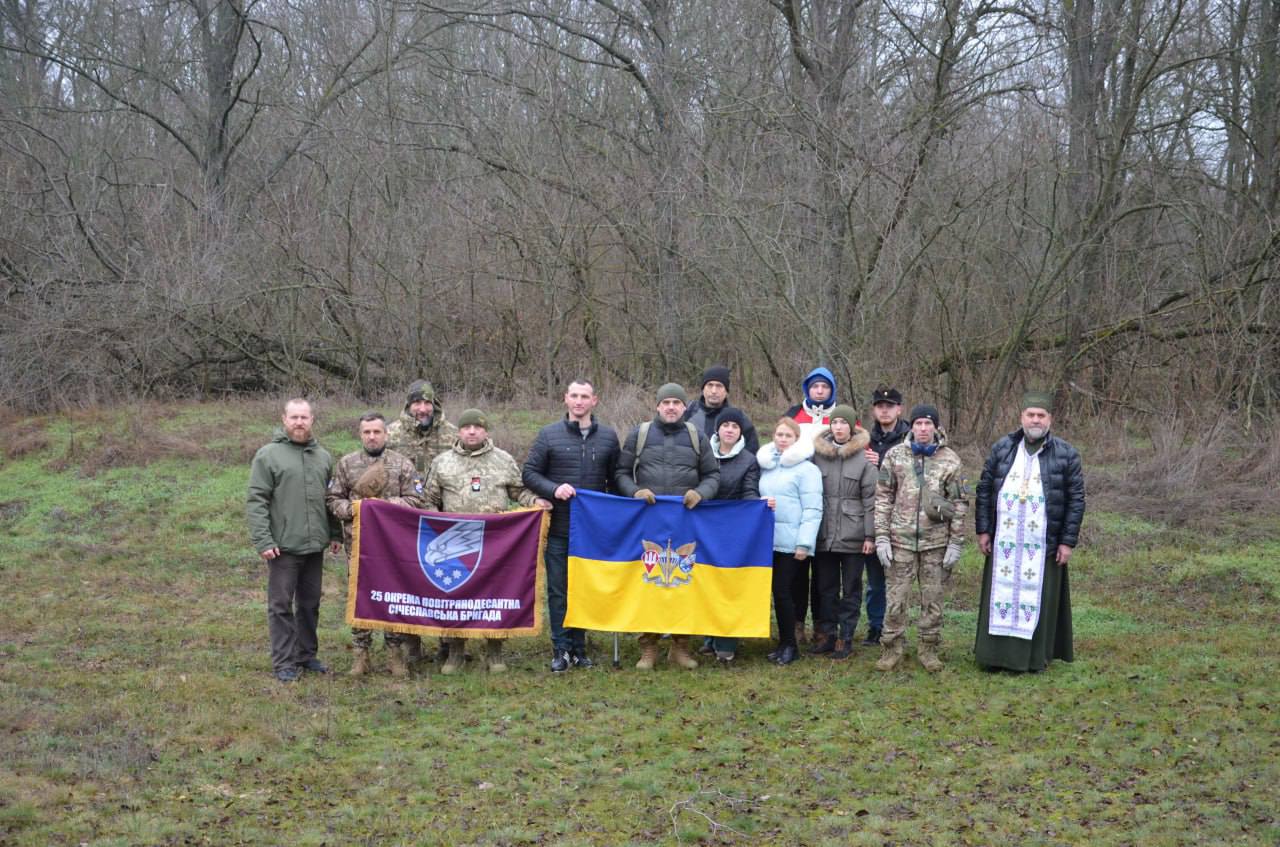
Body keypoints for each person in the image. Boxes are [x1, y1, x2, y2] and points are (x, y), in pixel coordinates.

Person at [423, 408, 551, 673]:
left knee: (495, 595)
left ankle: (495, 651)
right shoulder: (442, 462)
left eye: (478, 427)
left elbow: (518, 490)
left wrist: (534, 501)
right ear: (458, 431)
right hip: (456, 544)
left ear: (486, 431)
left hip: (497, 544)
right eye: (467, 427)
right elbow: (429, 501)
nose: (472, 432)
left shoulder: (503, 460)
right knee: (457, 596)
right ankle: (456, 652)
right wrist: (438, 526)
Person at [974, 391, 1085, 672]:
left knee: (1035, 598)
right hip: (1004, 545)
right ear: (1021, 417)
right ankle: (994, 657)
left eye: (1041, 415)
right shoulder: (1003, 449)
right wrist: (984, 530)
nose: (1035, 420)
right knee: (1000, 595)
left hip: (1043, 545)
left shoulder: (1066, 454)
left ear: (1050, 419)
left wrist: (1067, 542)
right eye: (1030, 414)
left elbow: (1076, 500)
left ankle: (1033, 658)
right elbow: (985, 490)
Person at [615, 383, 721, 670]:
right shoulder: (640, 434)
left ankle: (680, 646)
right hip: (648, 522)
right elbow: (621, 472)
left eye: (677, 402)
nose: (671, 407)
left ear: (685, 407)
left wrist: (702, 493)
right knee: (649, 581)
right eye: (666, 403)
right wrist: (634, 492)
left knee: (683, 582)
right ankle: (648, 646)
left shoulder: (696, 436)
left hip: (686, 523)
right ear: (657, 406)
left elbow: (713, 475)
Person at [522, 379, 620, 673]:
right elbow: (529, 473)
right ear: (566, 399)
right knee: (559, 590)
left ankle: (580, 648)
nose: (579, 401)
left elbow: (616, 481)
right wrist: (553, 489)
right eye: (574, 396)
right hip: (559, 528)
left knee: (585, 589)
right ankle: (561, 648)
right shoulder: (549, 435)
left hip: (592, 531)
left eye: (585, 396)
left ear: (595, 400)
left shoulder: (608, 438)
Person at [246, 399, 342, 683]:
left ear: (312, 420)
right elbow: (256, 500)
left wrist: (334, 533)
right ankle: (284, 663)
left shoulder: (322, 457)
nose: (299, 422)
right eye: (294, 417)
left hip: (315, 547)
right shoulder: (268, 455)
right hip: (282, 548)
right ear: (284, 420)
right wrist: (264, 539)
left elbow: (330, 500)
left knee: (310, 604)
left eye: (304, 417)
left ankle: (306, 655)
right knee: (281, 606)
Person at [326, 413, 425, 677]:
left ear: (386, 434)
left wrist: (382, 508)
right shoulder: (346, 464)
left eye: (377, 432)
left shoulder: (402, 464)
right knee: (360, 597)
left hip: (394, 547)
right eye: (367, 432)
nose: (372, 436)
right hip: (358, 545)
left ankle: (395, 652)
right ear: (360, 434)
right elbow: (334, 500)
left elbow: (416, 500)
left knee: (394, 595)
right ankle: (361, 654)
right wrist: (357, 509)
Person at [873, 404, 967, 672]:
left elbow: (959, 503)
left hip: (935, 544)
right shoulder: (894, 456)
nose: (923, 429)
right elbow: (882, 498)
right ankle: (891, 649)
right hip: (899, 542)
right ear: (911, 426)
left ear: (936, 427)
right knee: (895, 600)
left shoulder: (950, 460)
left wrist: (956, 542)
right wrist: (881, 536)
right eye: (918, 424)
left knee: (933, 602)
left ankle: (928, 648)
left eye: (928, 424)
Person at [386, 378, 457, 665]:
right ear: (408, 404)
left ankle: (447, 642)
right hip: (404, 518)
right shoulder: (391, 434)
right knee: (408, 581)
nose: (422, 408)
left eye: (427, 403)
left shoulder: (452, 434)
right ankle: (410, 642)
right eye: (417, 402)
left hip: (443, 518)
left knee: (443, 581)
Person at [810, 404, 877, 659]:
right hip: (824, 535)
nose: (839, 428)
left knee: (851, 590)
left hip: (854, 536)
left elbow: (871, 499)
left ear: (852, 427)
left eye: (843, 423)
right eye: (835, 423)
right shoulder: (817, 456)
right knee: (825, 589)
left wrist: (870, 536)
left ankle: (845, 637)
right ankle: (826, 634)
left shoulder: (864, 459)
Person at [757, 417, 823, 666]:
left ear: (796, 439)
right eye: (779, 435)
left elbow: (813, 509)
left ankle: (791, 646)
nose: (782, 439)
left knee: (785, 592)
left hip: (791, 542)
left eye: (788, 436)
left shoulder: (808, 470)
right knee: (776, 592)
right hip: (767, 540)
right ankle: (783, 641)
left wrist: (804, 543)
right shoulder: (768, 466)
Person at [700, 407, 761, 666]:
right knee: (705, 581)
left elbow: (749, 491)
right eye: (725, 425)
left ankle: (726, 641)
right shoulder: (703, 454)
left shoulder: (748, 460)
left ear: (740, 432)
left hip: (733, 530)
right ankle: (709, 637)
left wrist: (757, 507)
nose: (729, 430)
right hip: (703, 527)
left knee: (728, 584)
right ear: (718, 429)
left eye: (735, 427)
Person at [783, 366, 838, 644]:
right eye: (815, 386)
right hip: (797, 502)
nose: (819, 391)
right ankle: (795, 623)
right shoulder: (795, 415)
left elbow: (859, 450)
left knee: (824, 573)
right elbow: (781, 444)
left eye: (825, 387)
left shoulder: (841, 417)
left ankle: (822, 625)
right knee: (796, 569)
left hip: (831, 500)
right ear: (808, 389)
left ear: (831, 390)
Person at [859, 385, 910, 645]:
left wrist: (880, 464)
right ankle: (876, 626)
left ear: (899, 409)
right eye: (880, 406)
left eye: (890, 406)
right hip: (874, 517)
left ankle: (898, 627)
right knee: (876, 580)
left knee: (901, 579)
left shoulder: (911, 437)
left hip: (906, 519)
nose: (885, 410)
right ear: (874, 410)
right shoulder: (865, 439)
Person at [683, 365, 760, 453]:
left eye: (719, 386)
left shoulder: (738, 418)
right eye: (710, 385)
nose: (714, 391)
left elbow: (751, 454)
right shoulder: (688, 412)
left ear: (726, 391)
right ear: (703, 389)